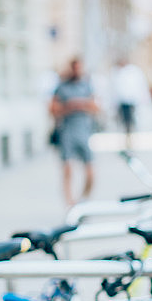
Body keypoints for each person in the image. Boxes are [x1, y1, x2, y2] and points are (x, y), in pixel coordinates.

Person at [49, 57, 100, 207]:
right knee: (68, 170)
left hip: (84, 132)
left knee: (91, 172)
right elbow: (52, 109)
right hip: (67, 132)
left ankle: (83, 200)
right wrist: (69, 107)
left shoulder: (87, 86)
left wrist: (83, 104)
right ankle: (70, 203)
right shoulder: (62, 87)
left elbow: (96, 107)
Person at [112, 57, 151, 152]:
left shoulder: (133, 72)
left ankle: (130, 140)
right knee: (124, 122)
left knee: (130, 121)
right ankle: (126, 140)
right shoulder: (118, 72)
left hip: (131, 101)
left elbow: (140, 86)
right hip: (123, 102)